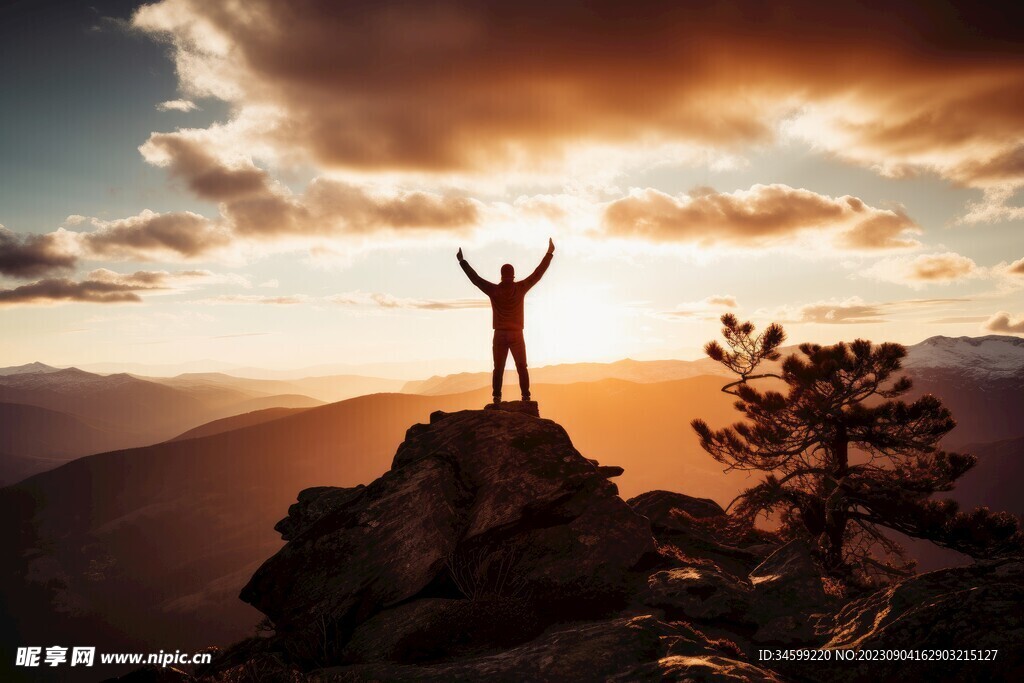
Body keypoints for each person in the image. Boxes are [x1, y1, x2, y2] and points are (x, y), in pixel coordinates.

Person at [457, 239, 554, 403]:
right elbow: (538, 274)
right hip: (517, 334)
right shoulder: (521, 288)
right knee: (522, 367)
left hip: (500, 334)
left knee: (498, 368)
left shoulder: (494, 290)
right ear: (513, 275)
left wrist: (462, 261)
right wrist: (549, 253)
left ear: (502, 276)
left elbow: (476, 279)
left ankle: (497, 397)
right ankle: (525, 396)